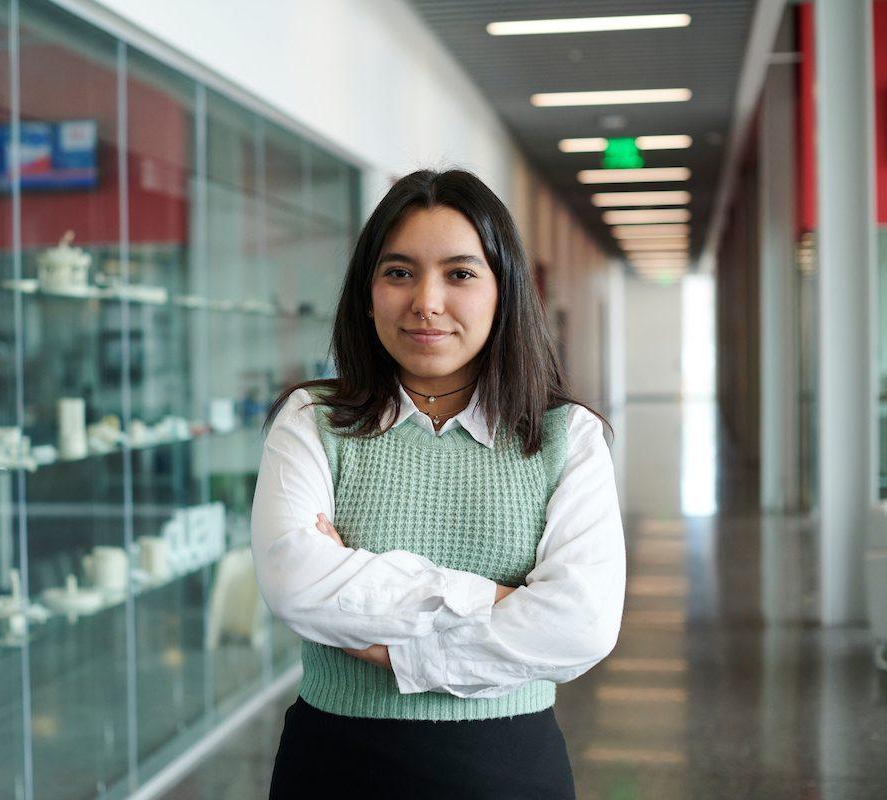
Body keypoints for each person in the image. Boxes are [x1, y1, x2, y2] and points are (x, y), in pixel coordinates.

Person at [251, 168, 626, 799]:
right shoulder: (313, 419)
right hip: (337, 763)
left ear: (504, 292)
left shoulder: (567, 436)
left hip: (507, 766)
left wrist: (401, 649)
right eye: (399, 272)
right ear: (366, 294)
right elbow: (295, 585)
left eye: (460, 273)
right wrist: (501, 601)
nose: (427, 301)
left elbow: (581, 626)